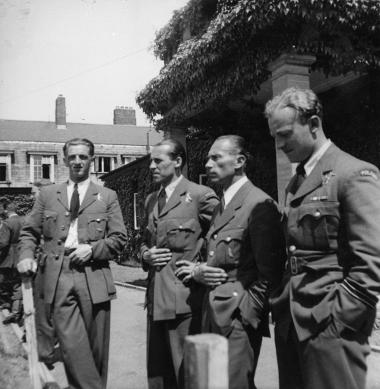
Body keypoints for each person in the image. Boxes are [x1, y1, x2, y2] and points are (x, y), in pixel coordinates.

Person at [265, 87, 380, 389]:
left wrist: (339, 321)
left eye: (285, 134)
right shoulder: (297, 182)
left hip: (330, 325)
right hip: (292, 322)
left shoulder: (353, 174)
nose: (279, 144)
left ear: (313, 124)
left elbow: (371, 262)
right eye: (274, 136)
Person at [17, 138, 127, 389]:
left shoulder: (107, 196)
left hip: (94, 275)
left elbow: (119, 238)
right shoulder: (47, 194)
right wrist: (25, 256)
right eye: (73, 157)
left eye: (83, 157)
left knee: (96, 348)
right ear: (65, 160)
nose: (77, 161)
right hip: (57, 275)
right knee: (71, 344)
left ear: (92, 159)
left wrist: (93, 249)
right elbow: (29, 232)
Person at [178, 135, 285, 389]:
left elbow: (270, 273)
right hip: (212, 312)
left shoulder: (259, 203)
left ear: (239, 161)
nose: (207, 164)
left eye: (216, 158)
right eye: (207, 158)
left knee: (235, 384)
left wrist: (246, 314)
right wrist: (198, 270)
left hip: (237, 317)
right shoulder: (221, 205)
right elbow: (215, 256)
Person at [140, 138, 219, 389]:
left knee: (188, 375)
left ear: (177, 162)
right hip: (155, 299)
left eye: (158, 161)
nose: (152, 166)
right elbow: (144, 240)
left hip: (185, 300)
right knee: (158, 376)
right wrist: (145, 255)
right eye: (151, 161)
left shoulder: (199, 195)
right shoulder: (151, 200)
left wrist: (200, 268)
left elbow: (222, 235)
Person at [0, 200, 24, 325]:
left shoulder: (7, 223)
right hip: (22, 256)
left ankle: (8, 305)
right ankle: (15, 311)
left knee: (3, 282)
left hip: (8, 259)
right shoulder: (24, 220)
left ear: (5, 210)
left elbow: (3, 243)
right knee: (18, 284)